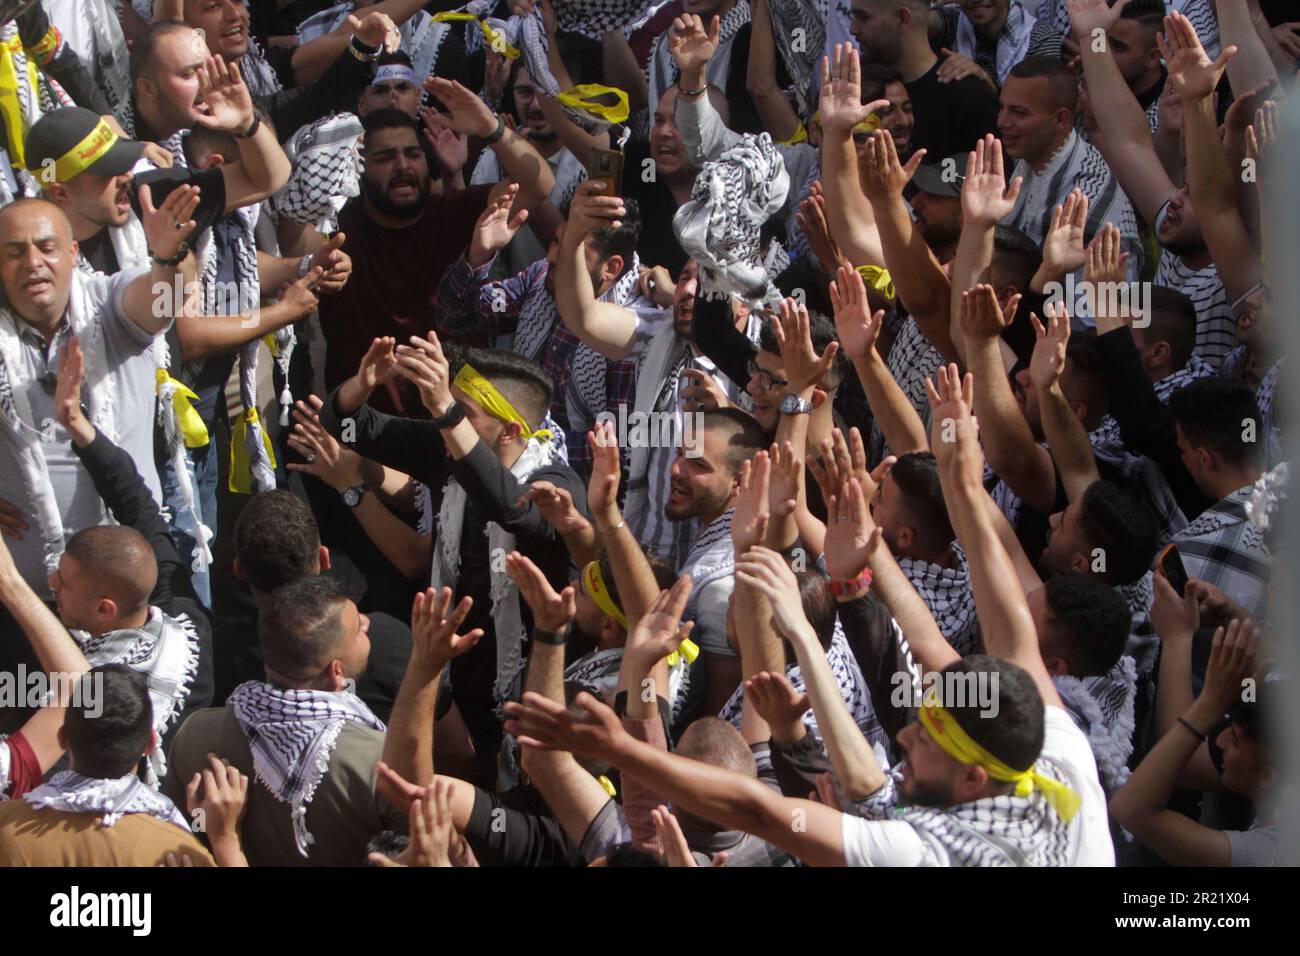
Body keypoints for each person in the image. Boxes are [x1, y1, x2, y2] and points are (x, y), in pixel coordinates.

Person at [317, 95, 556, 413]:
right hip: (363, 428)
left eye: (413, 154)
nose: (403, 166)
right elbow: (293, 244)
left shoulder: (458, 212)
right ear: (358, 168)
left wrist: (491, 128)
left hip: (456, 425)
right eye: (386, 157)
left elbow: (539, 184)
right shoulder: (334, 227)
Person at [163, 575, 402, 866]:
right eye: (358, 630)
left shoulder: (195, 734)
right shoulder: (380, 761)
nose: (366, 623)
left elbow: (188, 830)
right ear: (336, 672)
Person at [0, 665, 237, 866]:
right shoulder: (179, 851)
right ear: (150, 744)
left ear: (62, 738)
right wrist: (225, 839)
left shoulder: (7, 825)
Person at [848, 0, 1000, 159]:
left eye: (863, 18)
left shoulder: (970, 99)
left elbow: (993, 177)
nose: (853, 29)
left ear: (902, 19)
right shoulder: (853, 86)